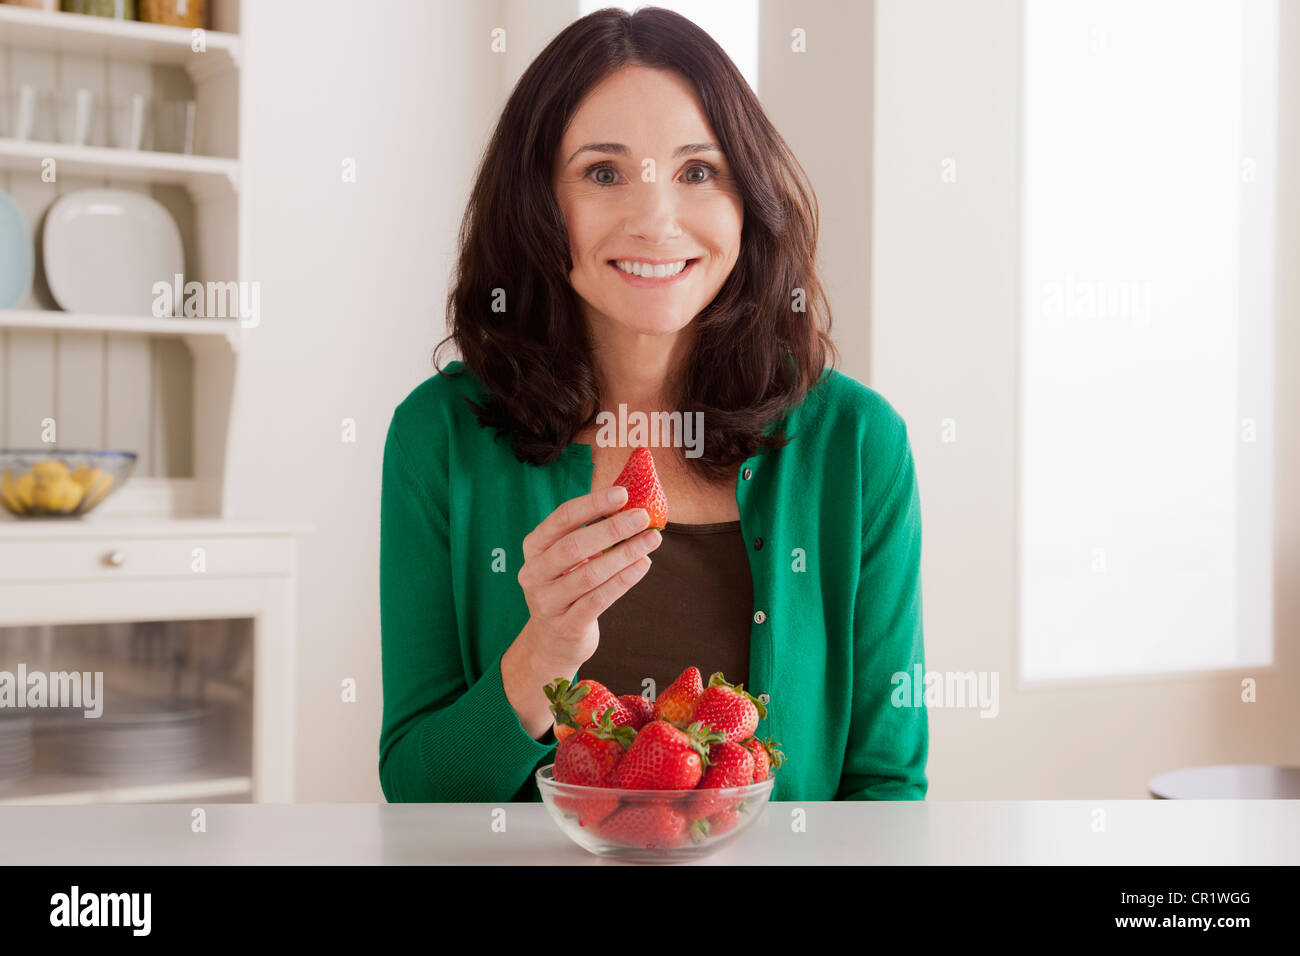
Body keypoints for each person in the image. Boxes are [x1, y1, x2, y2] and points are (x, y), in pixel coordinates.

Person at [379, 7, 927, 803]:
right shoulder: (439, 435)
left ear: (748, 197)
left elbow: (886, 789)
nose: (655, 219)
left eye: (698, 171)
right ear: (538, 202)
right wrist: (542, 655)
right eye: (603, 173)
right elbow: (418, 791)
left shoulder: (858, 444)